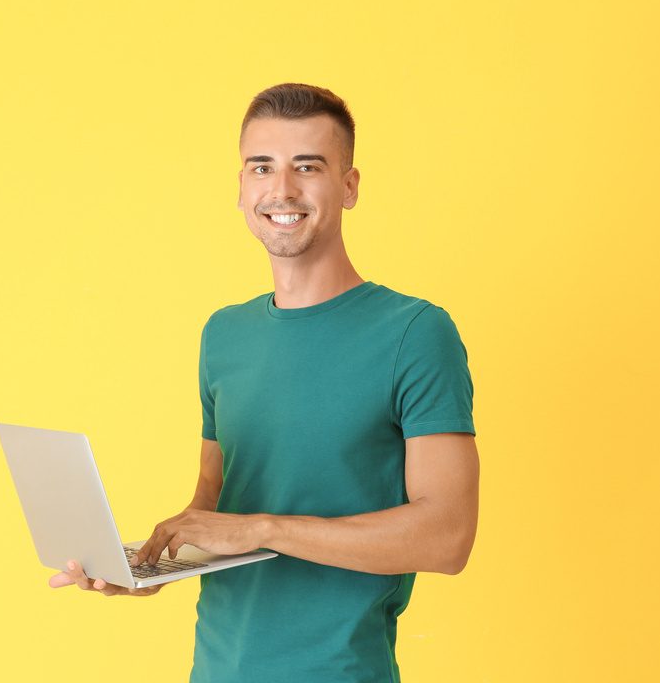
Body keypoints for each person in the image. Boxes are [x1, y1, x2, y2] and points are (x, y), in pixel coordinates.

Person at [51, 83, 479, 683]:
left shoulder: (415, 332)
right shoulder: (223, 334)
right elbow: (214, 505)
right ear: (243, 187)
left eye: (308, 166)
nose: (282, 190)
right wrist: (147, 567)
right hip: (218, 667)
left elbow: (447, 537)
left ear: (349, 187)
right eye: (262, 167)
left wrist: (260, 529)